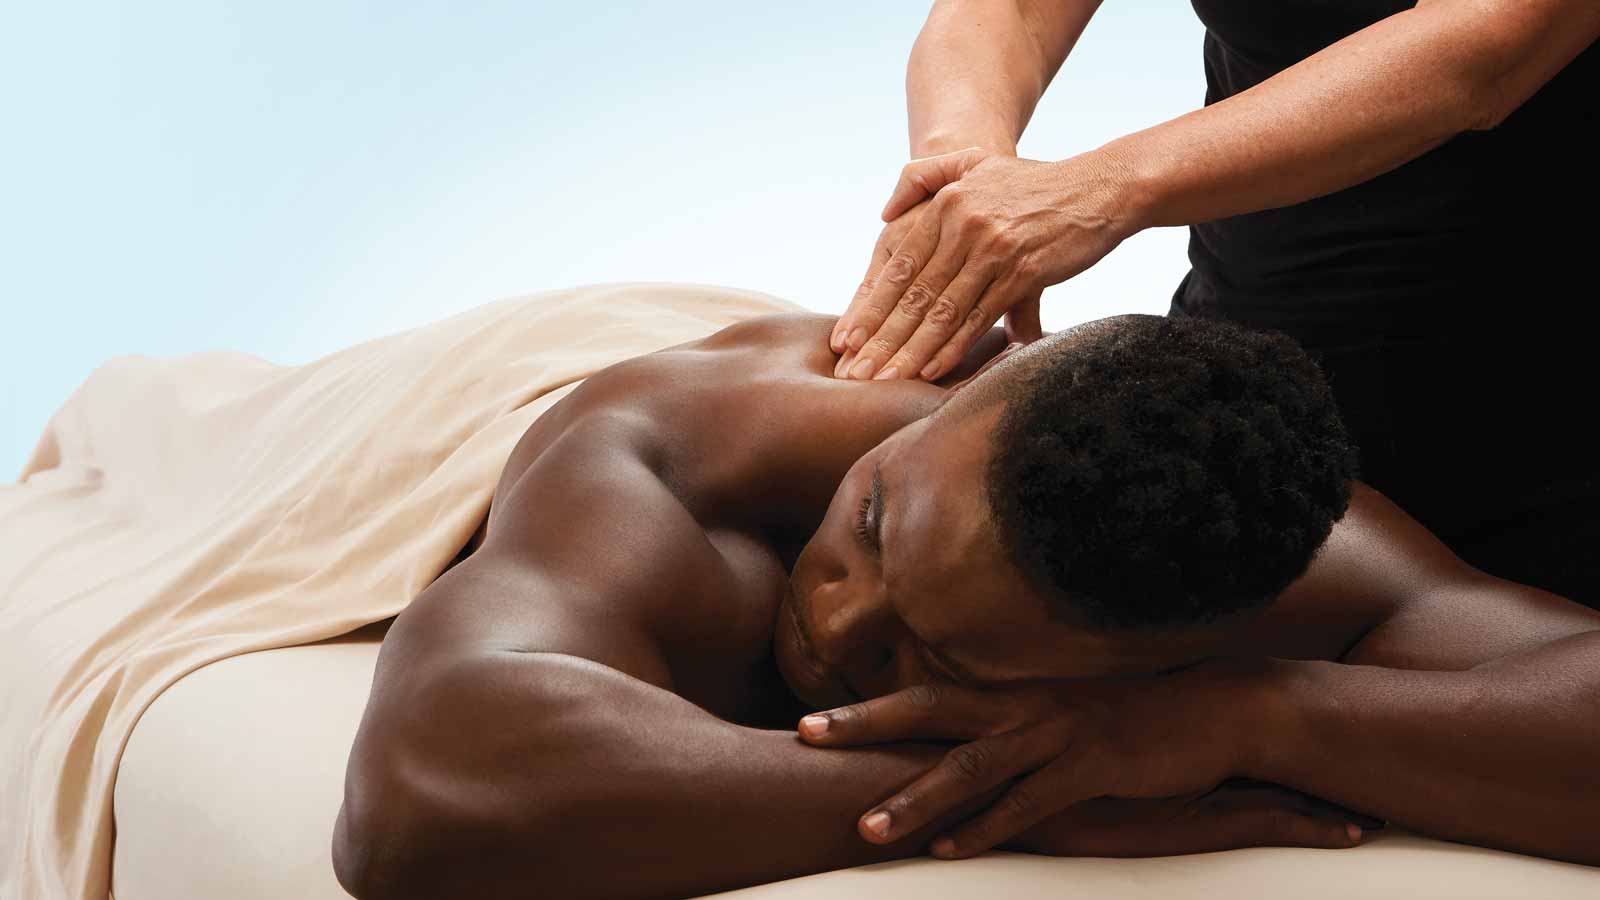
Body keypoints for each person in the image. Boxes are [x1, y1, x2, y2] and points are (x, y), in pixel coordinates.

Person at [332, 310, 1600, 900]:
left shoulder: (1282, 575)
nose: (833, 625)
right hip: (468, 391)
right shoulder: (683, 450)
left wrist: (1257, 716)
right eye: (869, 522)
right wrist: (1037, 787)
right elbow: (424, 798)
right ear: (970, 390)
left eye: (933, 652)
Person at [827, 1, 1599, 604]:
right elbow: (1014, 9)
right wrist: (964, 175)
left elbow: (1486, 49)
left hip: (1547, 417)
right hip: (1255, 380)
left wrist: (1093, 192)